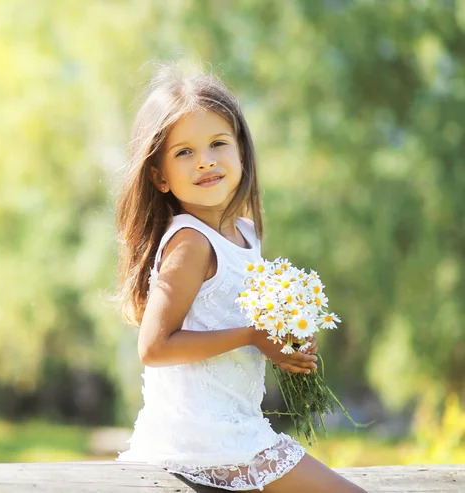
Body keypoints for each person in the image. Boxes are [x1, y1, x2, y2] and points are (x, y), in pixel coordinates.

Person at [113, 64, 367, 493]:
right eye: (184, 152)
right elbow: (154, 347)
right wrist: (252, 337)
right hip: (201, 439)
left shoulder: (245, 233)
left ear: (242, 152)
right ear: (158, 176)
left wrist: (286, 342)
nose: (206, 160)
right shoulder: (191, 243)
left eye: (218, 143)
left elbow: (232, 317)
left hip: (236, 429)